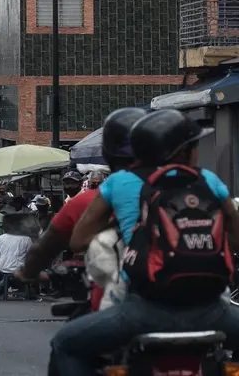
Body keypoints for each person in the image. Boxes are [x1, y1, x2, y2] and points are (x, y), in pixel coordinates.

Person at [50, 109, 239, 376]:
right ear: (183, 152)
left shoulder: (119, 182)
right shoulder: (208, 181)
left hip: (144, 310)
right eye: (194, 145)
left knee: (65, 344)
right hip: (211, 309)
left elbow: (79, 240)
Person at [17, 108, 146, 307]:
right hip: (196, 299)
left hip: (127, 301)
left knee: (65, 340)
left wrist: (27, 272)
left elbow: (48, 247)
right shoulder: (193, 184)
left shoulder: (92, 198)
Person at [0, 225, 33, 299]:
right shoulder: (27, 239)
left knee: (4, 273)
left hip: (3, 269)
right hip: (19, 271)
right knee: (14, 274)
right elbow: (31, 255)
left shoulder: (2, 237)